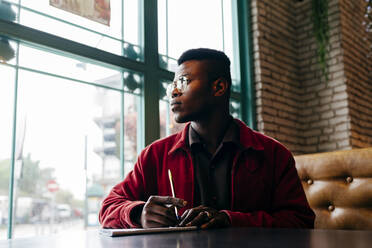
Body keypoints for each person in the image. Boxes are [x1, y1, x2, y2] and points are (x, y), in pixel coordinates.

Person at [99, 48, 315, 229]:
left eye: (183, 82)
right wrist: (137, 214)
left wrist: (230, 220)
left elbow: (300, 221)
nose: (173, 92)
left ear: (219, 87)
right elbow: (108, 207)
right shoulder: (155, 155)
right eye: (172, 85)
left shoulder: (274, 154)